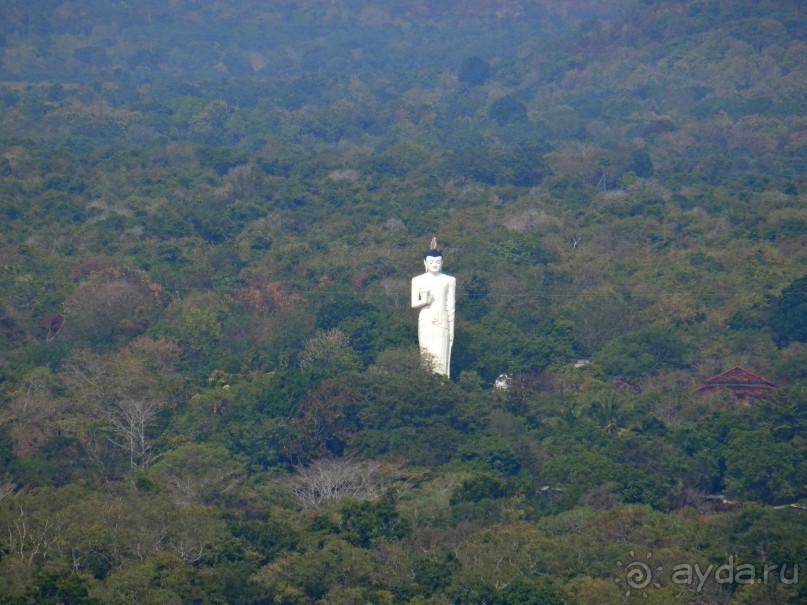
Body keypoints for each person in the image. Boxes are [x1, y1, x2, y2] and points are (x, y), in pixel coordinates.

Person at [411, 239, 456, 377]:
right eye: (431, 262)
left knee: (441, 356)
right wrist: (425, 300)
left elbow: (450, 305)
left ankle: (442, 383)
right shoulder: (417, 280)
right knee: (427, 354)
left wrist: (452, 329)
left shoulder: (449, 280)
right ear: (425, 263)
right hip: (426, 319)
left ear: (442, 263)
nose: (434, 265)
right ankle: (427, 382)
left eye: (437, 262)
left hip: (443, 321)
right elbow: (413, 303)